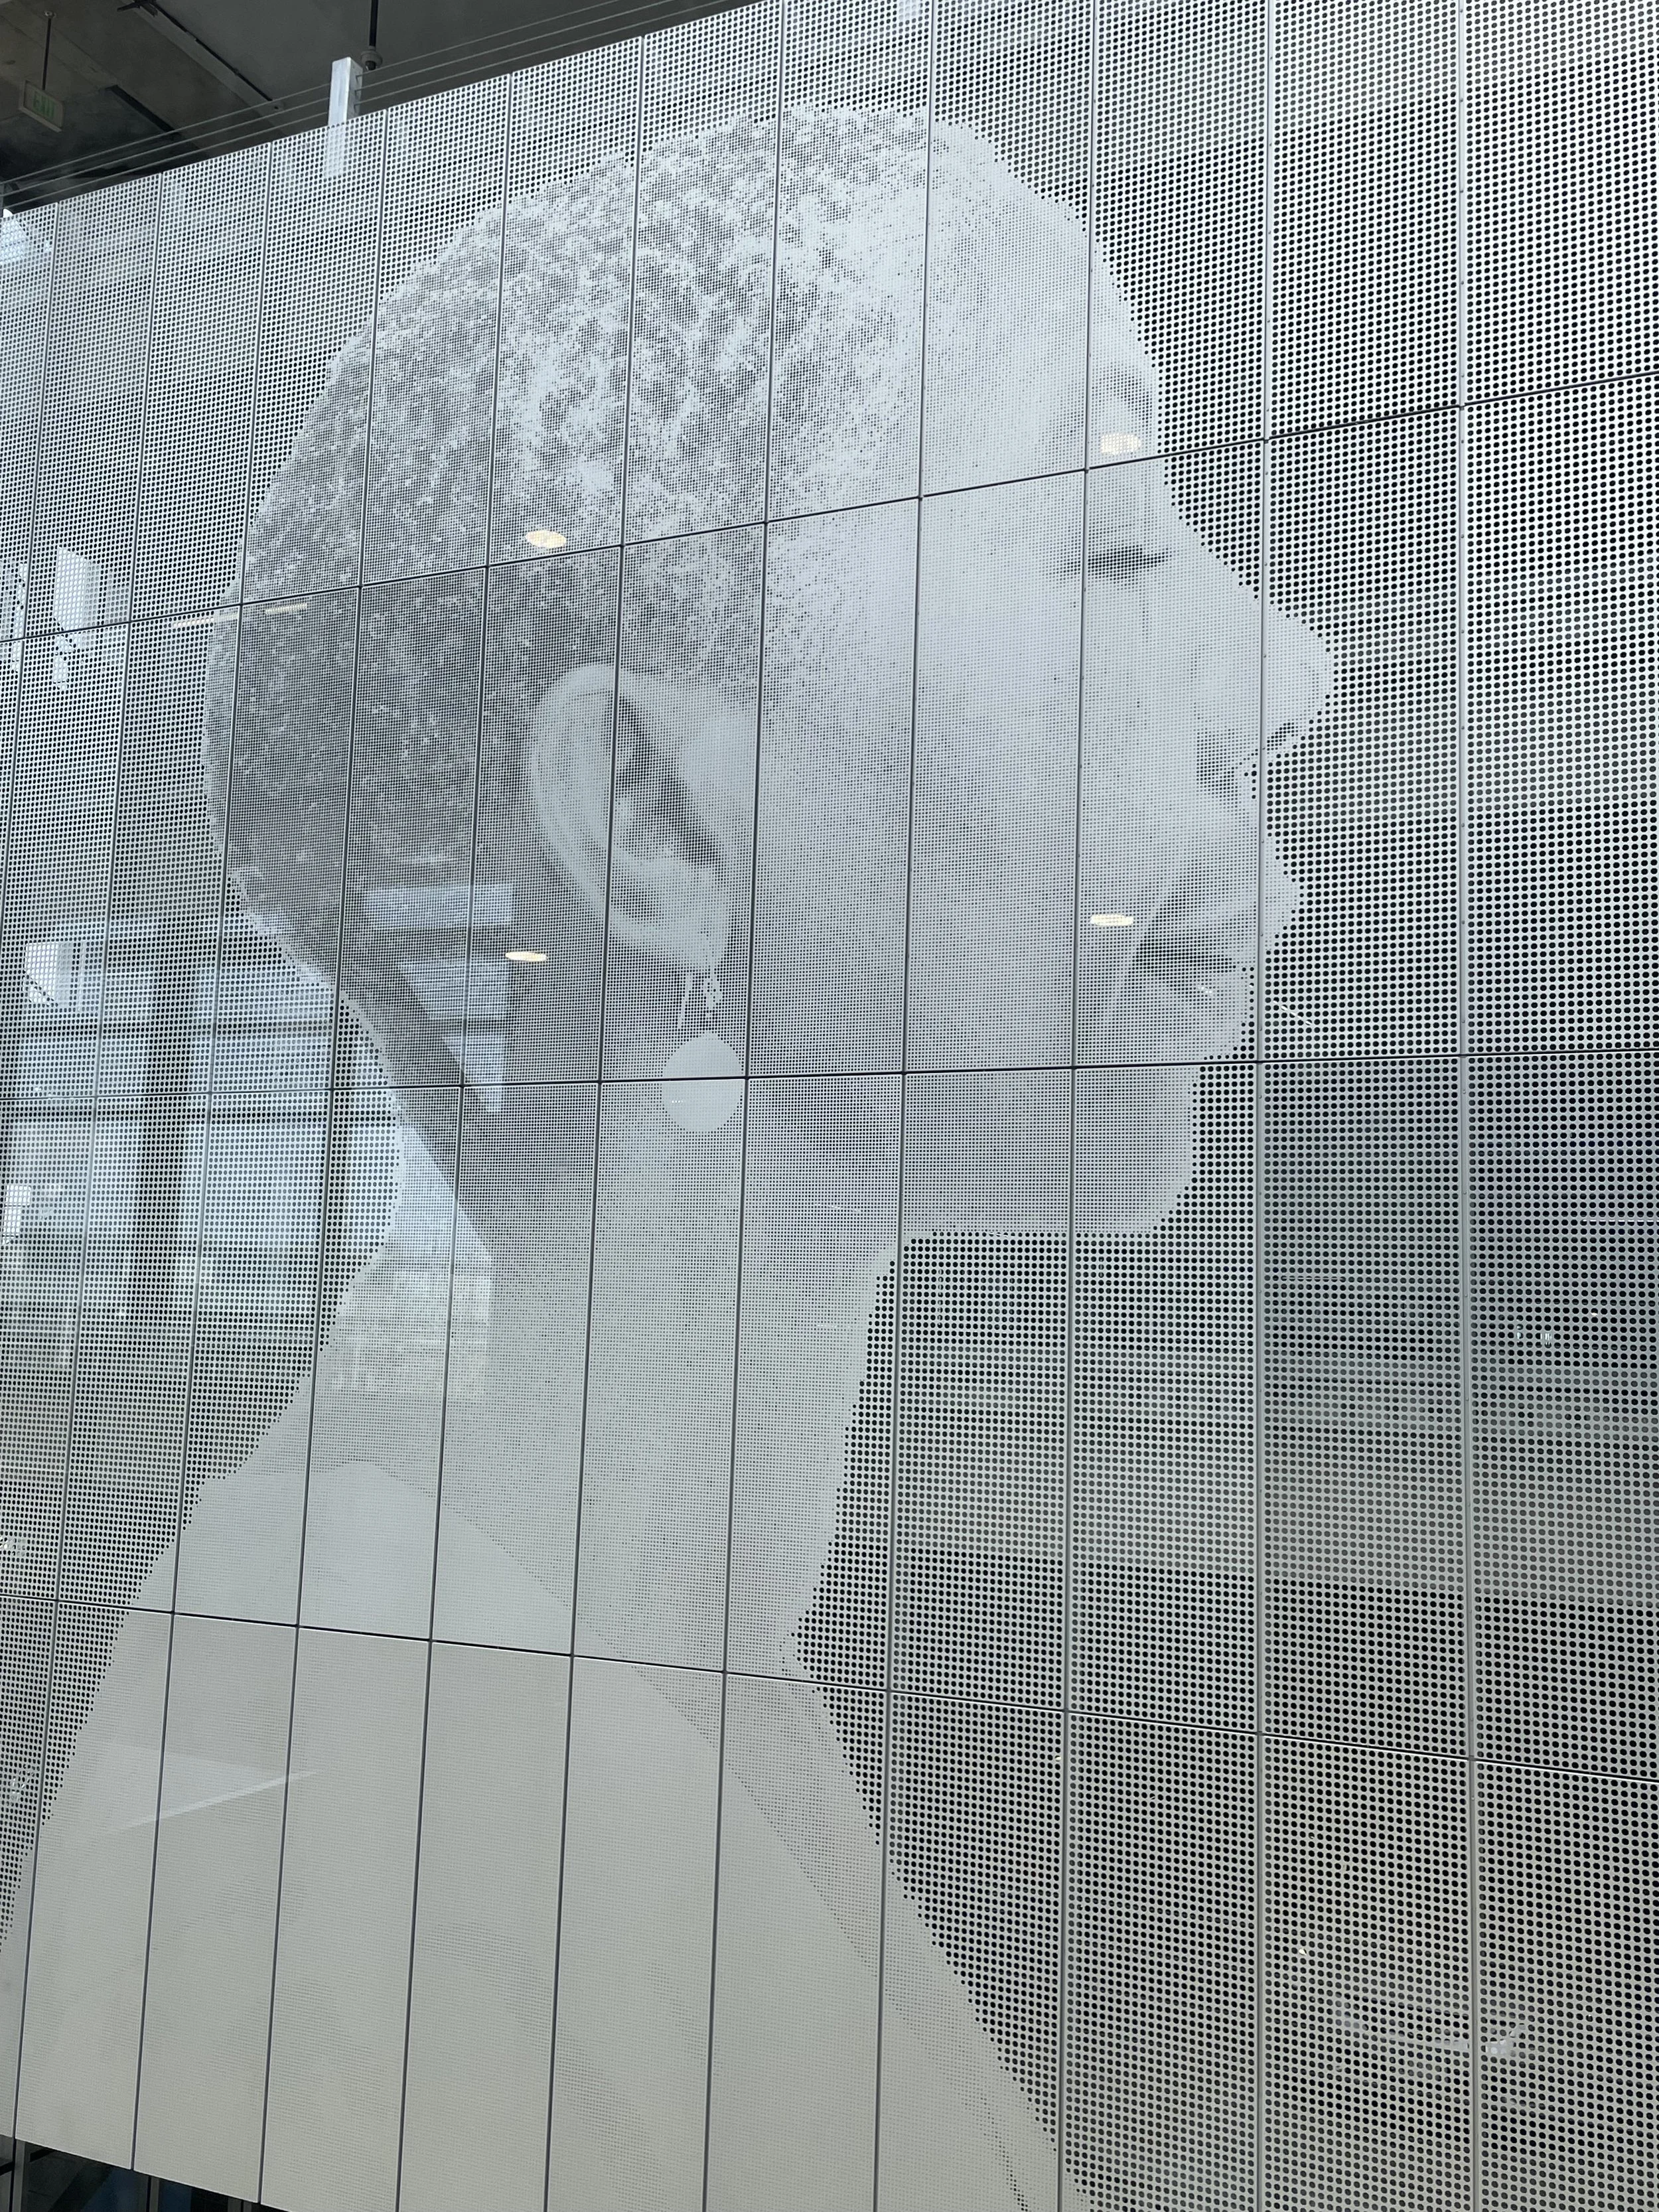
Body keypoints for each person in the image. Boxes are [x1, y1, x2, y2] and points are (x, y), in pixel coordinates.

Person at [1, 109, 1329, 2212]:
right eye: (1098, 539)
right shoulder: (365, 1824)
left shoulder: (612, 1658)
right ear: (647, 817)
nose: (1287, 669)